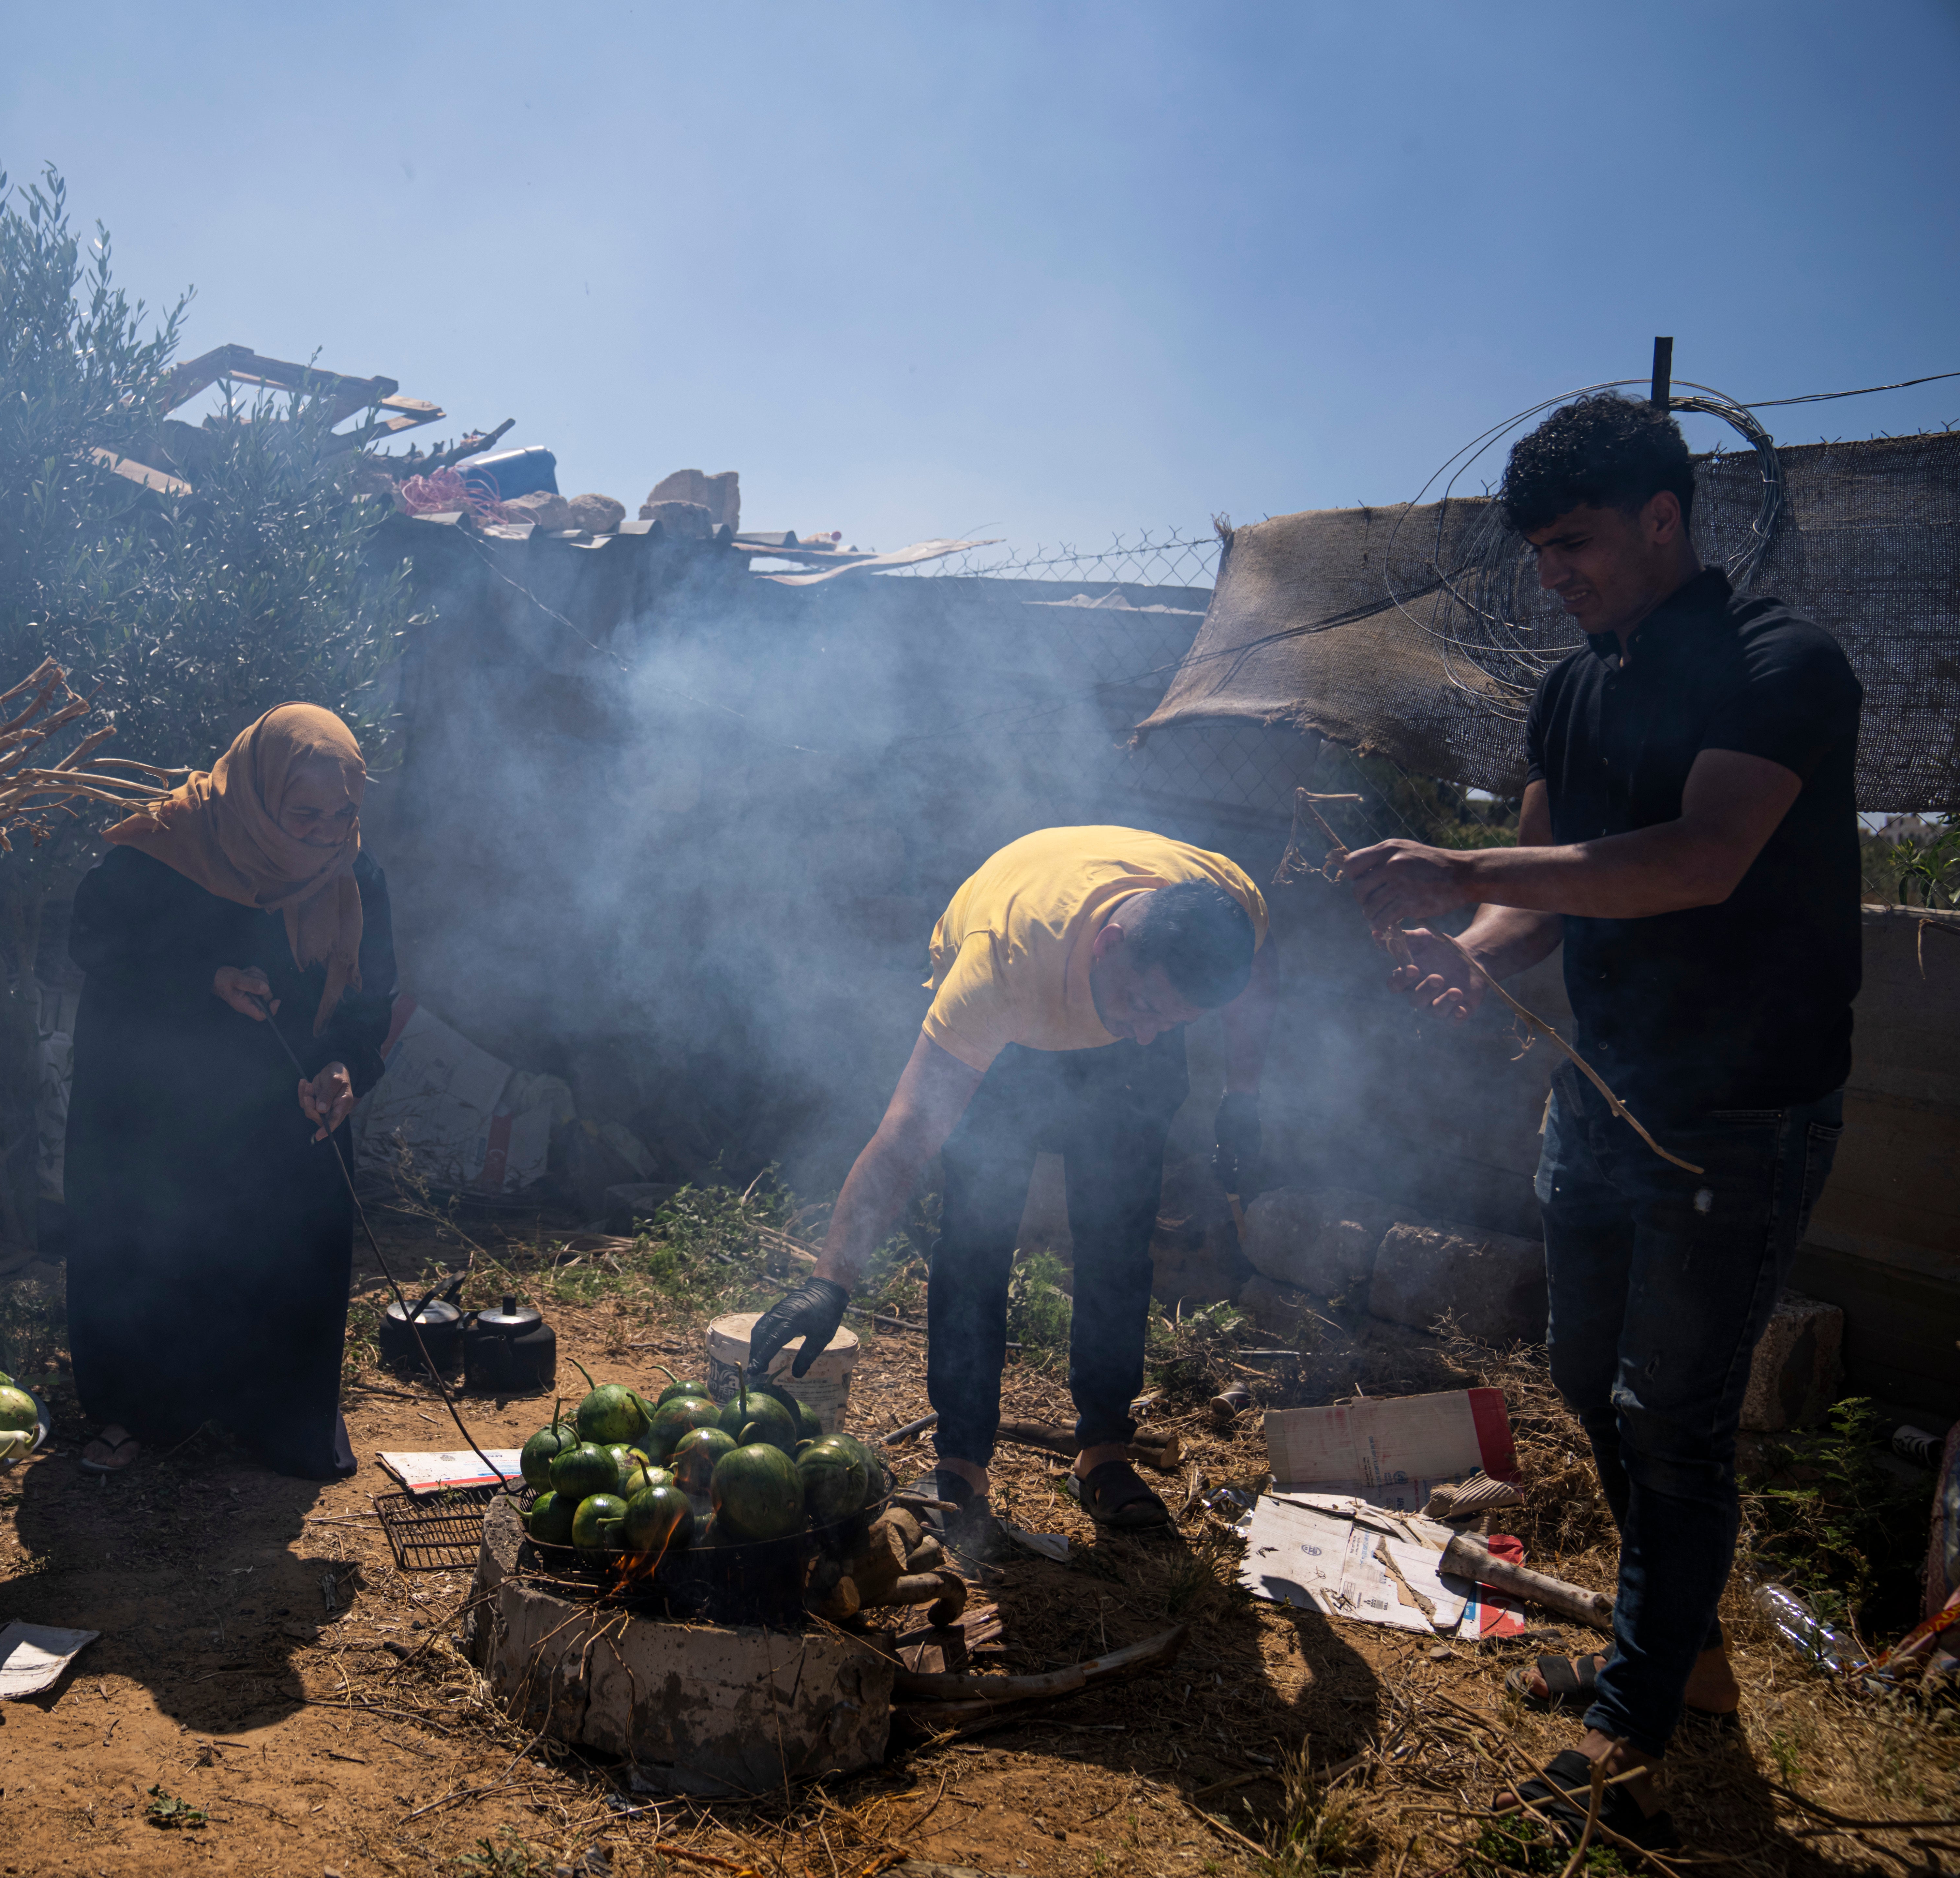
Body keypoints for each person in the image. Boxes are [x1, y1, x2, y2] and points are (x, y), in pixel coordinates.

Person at [1341, 394, 1862, 1854]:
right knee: (1587, 1379)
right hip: (1600, 1094)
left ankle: (1630, 1727)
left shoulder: (1781, 663)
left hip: (1737, 1112)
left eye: (1573, 543)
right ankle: (1682, 1659)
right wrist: (1478, 949)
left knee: (1672, 1421)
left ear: (1663, 517)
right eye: (1538, 552)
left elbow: (1699, 859)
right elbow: (1547, 893)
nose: (1552, 575)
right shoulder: (1571, 693)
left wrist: (1460, 870)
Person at [748, 827, 1274, 1534]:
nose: (1152, 1034)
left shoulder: (1226, 906)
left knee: (1119, 1239)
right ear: (1109, 944)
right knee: (977, 1234)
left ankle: (1105, 1450)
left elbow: (1254, 976)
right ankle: (961, 1461)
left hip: (1106, 1005)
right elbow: (908, 1133)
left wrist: (1243, 1094)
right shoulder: (1001, 968)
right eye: (1149, 1007)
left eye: (1179, 1020)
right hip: (1019, 1034)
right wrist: (830, 1281)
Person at [59, 703, 396, 1480]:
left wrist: (343, 1068)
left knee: (287, 1245)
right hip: (156, 1100)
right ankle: (136, 1410)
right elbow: (94, 941)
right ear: (260, 789)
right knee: (148, 1242)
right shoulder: (166, 846)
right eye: (304, 814)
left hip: (286, 1102)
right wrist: (205, 978)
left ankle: (275, 1418)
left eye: (342, 814)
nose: (324, 834)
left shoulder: (354, 872)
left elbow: (369, 998)